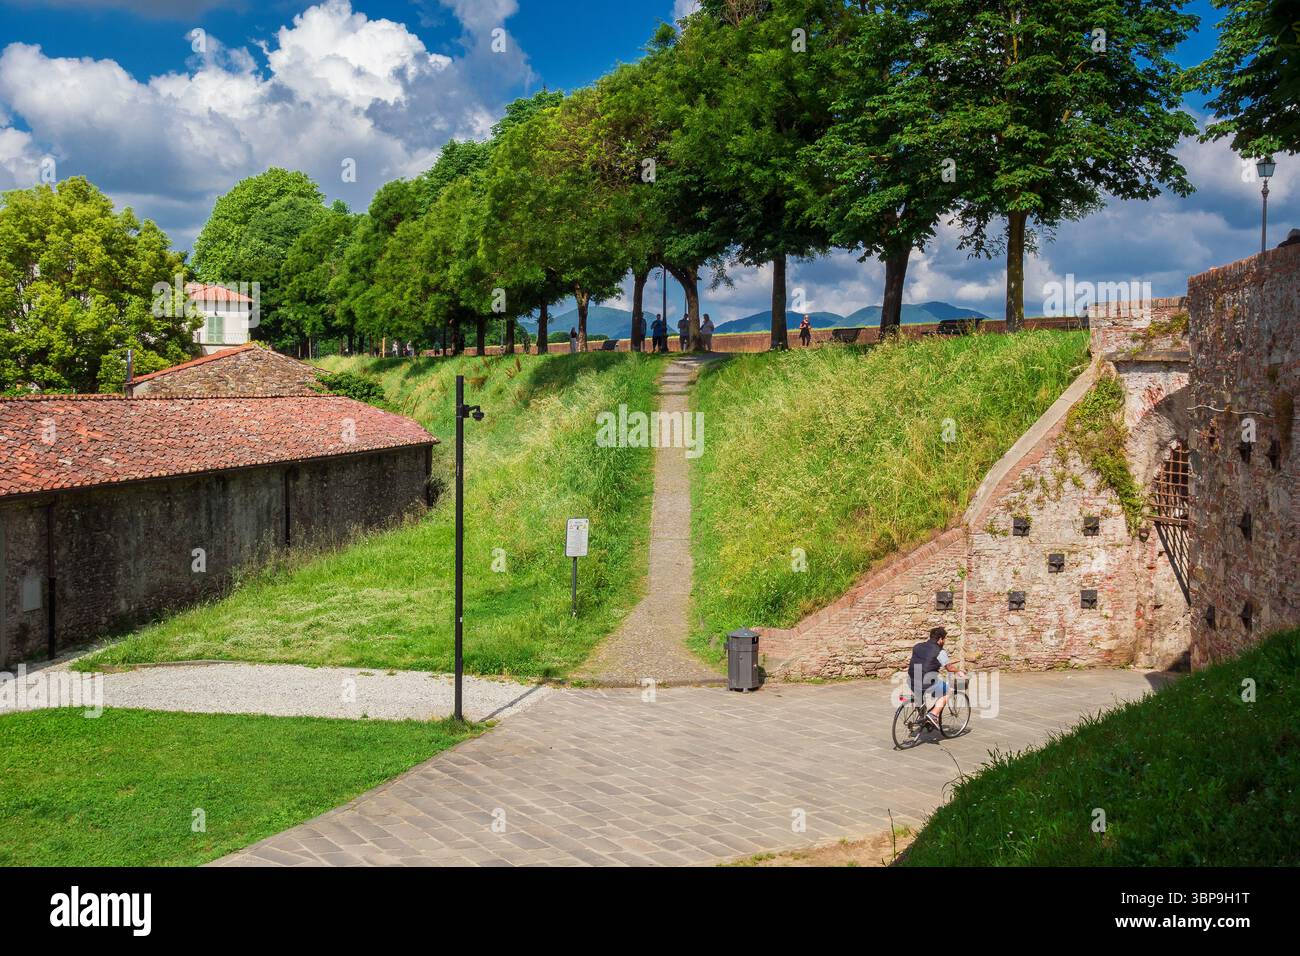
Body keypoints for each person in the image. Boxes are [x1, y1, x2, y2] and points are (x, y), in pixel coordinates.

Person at [907, 627, 964, 730]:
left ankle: (921, 716)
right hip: (927, 682)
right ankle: (933, 715)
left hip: (911, 680)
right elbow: (949, 668)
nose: (945, 641)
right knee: (948, 690)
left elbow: (922, 661)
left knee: (920, 692)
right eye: (945, 639)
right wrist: (958, 671)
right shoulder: (940, 651)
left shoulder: (917, 646)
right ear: (940, 639)